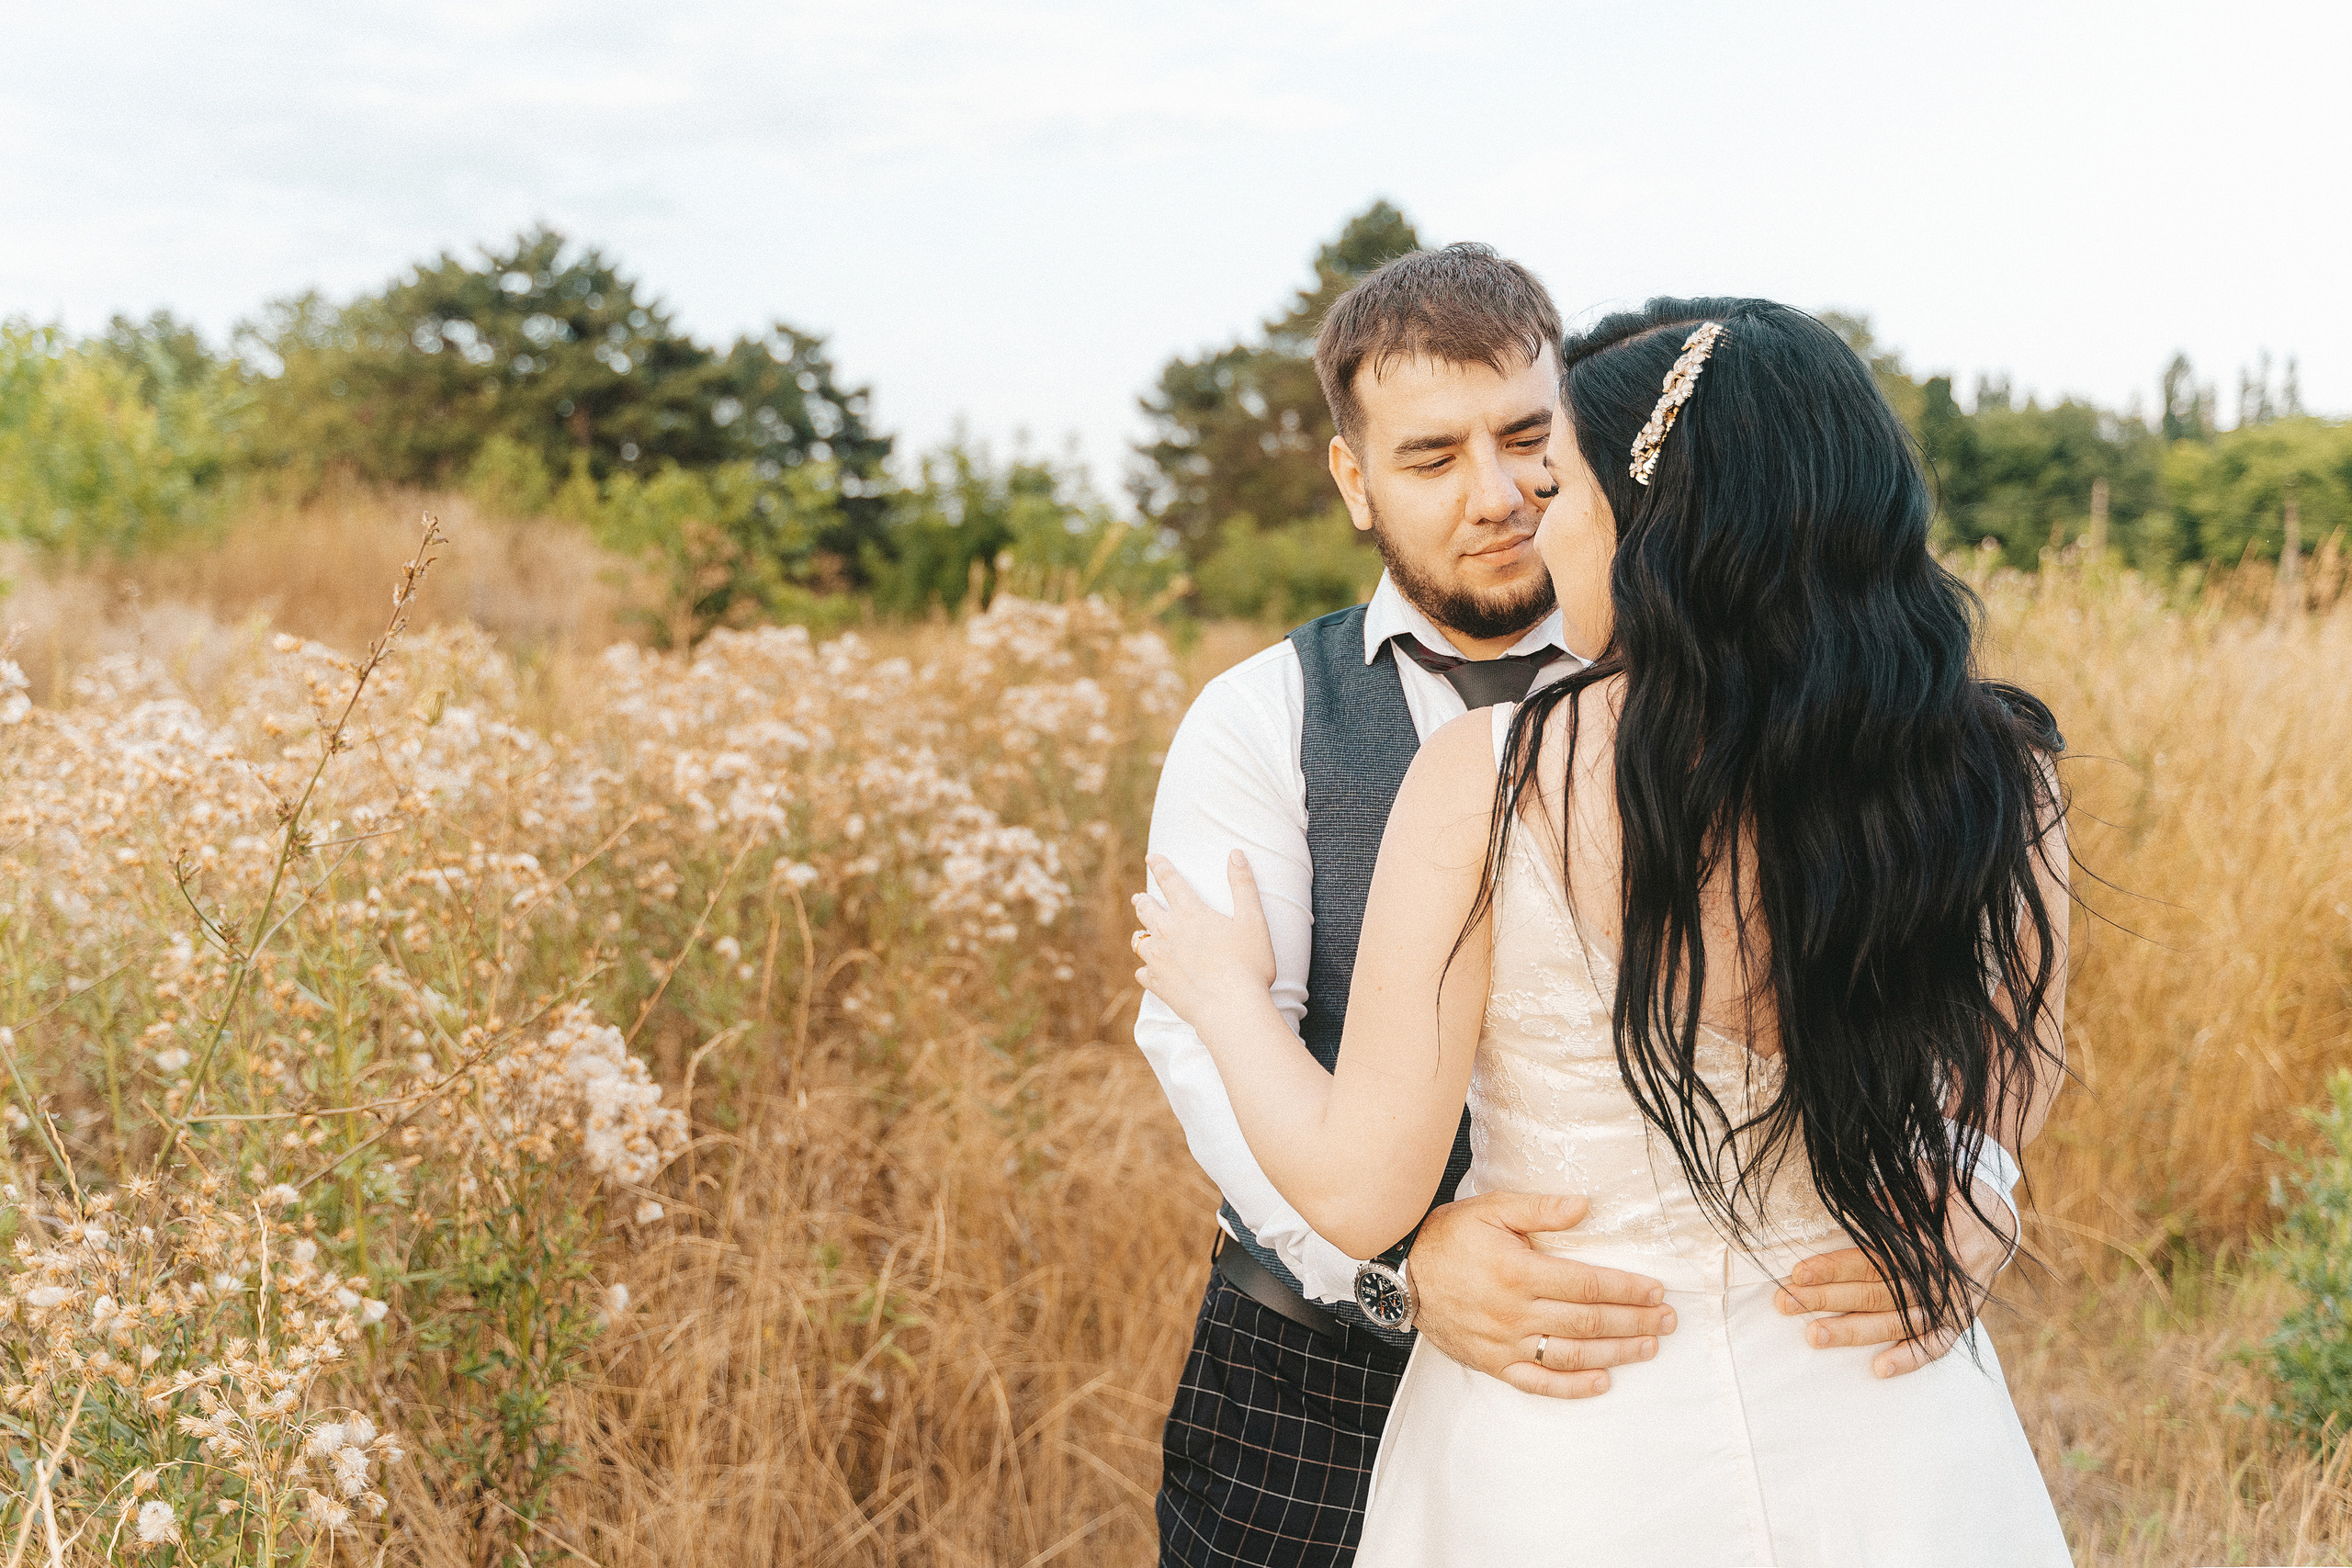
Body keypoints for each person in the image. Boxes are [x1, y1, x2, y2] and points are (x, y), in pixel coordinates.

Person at [1134, 296, 2072, 1565]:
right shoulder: (1998, 768)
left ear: (1653, 517)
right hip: (1885, 1435)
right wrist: (1977, 1162)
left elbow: (1357, 1182)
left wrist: (1226, 999)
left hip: (1576, 1461)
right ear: (1352, 481)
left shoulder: (1493, 774)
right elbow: (2016, 1070)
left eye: (1550, 471)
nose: (1522, 507)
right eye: (1434, 457)